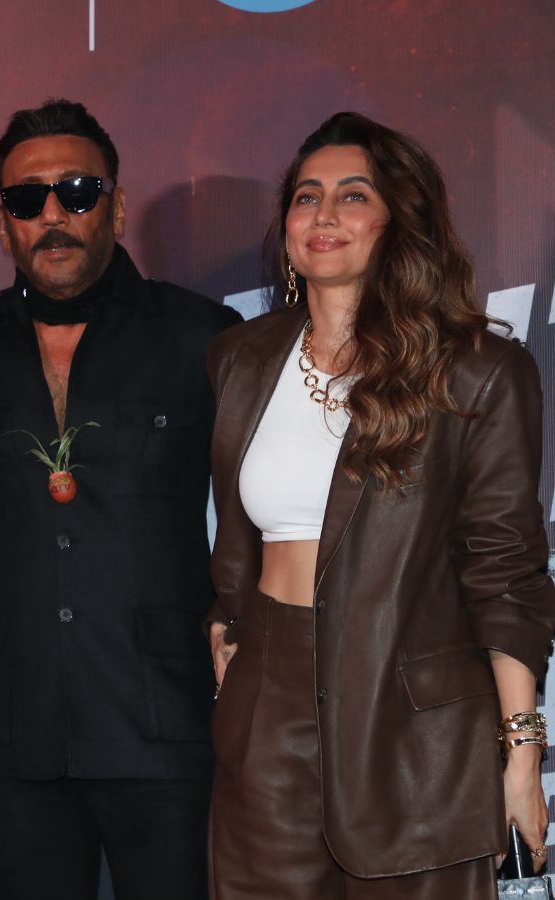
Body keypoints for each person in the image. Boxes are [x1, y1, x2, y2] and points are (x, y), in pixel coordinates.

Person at [207, 111, 555, 898]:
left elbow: (505, 574)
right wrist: (226, 629)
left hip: (413, 733)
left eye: (353, 194)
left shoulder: (479, 372)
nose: (323, 213)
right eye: (306, 196)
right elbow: (233, 535)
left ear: (399, 219)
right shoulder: (240, 359)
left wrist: (521, 751)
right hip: (266, 716)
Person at [0, 98, 240, 899]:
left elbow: (252, 517)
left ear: (117, 208)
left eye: (77, 192)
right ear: (5, 226)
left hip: (163, 726)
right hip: (19, 738)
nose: (52, 215)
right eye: (27, 199)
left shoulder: (202, 335)